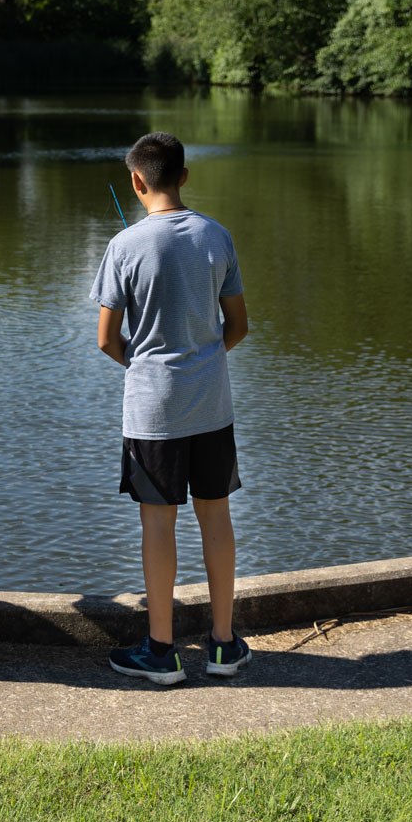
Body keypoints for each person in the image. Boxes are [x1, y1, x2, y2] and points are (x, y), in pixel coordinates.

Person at [91, 131, 251, 685]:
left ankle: (161, 652)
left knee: (158, 523)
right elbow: (239, 327)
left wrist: (146, 366)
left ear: (136, 182)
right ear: (184, 175)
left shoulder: (125, 245)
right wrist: (201, 360)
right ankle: (224, 646)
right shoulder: (216, 236)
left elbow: (107, 339)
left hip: (153, 410)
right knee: (216, 515)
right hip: (211, 404)